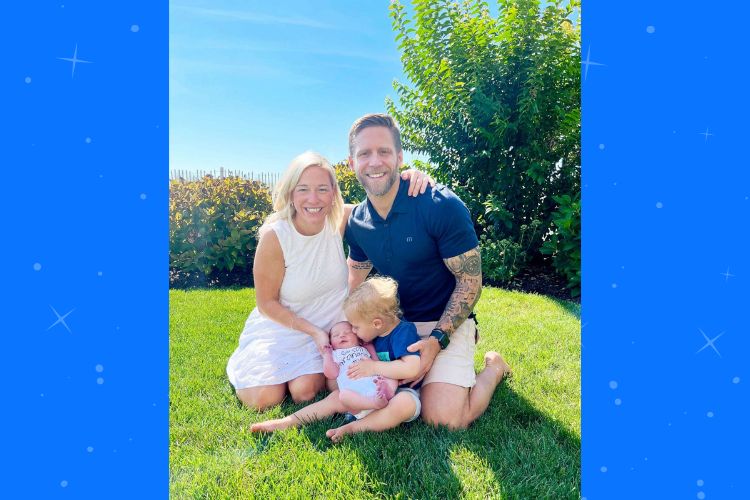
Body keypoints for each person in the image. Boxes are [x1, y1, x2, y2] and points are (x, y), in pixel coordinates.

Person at [226, 151, 432, 410]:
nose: (314, 199)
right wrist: (313, 333)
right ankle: (251, 361)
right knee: (263, 399)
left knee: (305, 392)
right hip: (286, 326)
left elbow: (384, 203)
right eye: (303, 189)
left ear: (333, 192)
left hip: (333, 328)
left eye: (322, 189)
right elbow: (266, 303)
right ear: (290, 193)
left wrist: (411, 178)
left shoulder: (341, 218)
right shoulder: (275, 236)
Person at [344, 113, 512, 430]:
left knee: (444, 420)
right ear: (352, 162)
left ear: (399, 158)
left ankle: (494, 367)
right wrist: (350, 332)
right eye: (364, 153)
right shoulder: (357, 222)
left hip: (443, 322)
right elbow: (355, 278)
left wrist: (436, 341)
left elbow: (470, 282)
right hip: (395, 328)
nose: (374, 161)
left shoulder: (440, 205)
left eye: (383, 151)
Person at [251, 276, 423, 442]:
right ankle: (287, 422)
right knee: (335, 397)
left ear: (376, 323)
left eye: (355, 327)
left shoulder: (403, 332)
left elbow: (411, 368)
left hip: (396, 394)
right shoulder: (372, 333)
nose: (353, 331)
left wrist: (373, 367)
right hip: (363, 394)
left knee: (404, 404)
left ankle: (354, 428)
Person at [323, 320, 398, 419]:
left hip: (376, 387)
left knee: (393, 376)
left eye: (347, 333)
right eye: (336, 335)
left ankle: (387, 393)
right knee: (343, 396)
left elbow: (376, 361)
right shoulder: (335, 355)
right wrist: (327, 355)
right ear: (331, 343)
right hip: (358, 401)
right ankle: (374, 403)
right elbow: (331, 374)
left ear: (358, 338)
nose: (342, 336)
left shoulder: (363, 348)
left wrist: (370, 347)